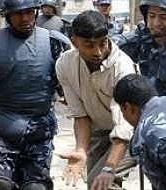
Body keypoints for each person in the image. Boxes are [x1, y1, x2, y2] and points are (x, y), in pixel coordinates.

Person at [55, 10, 137, 190]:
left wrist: (109, 168)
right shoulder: (64, 65)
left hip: (131, 133)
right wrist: (81, 151)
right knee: (99, 184)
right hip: (98, 132)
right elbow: (81, 115)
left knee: (98, 183)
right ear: (74, 42)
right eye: (90, 45)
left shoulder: (123, 68)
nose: (98, 52)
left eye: (102, 43)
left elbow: (124, 127)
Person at [0, 0, 70, 189]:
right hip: (3, 131)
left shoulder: (54, 42)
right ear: (7, 15)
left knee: (35, 187)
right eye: (18, 13)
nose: (24, 18)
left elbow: (69, 87)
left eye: (29, 12)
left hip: (39, 131)